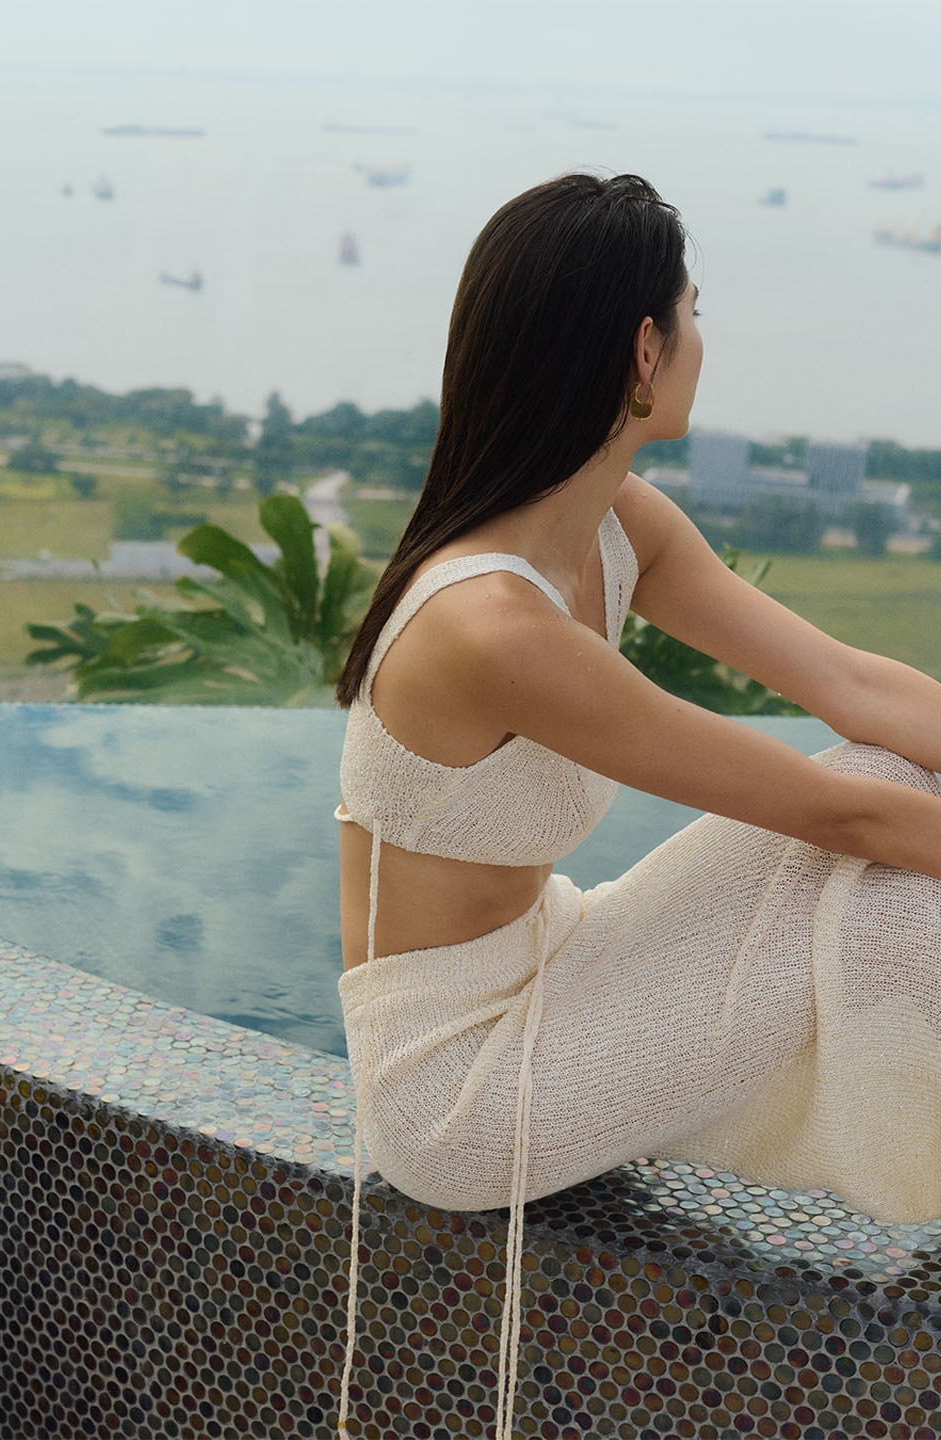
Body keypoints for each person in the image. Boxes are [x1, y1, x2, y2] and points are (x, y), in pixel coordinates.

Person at [331, 172, 941, 1439]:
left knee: (888, 769)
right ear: (645, 350)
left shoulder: (615, 527)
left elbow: (853, 687)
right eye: (694, 312)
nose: (705, 341)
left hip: (548, 958)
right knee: (900, 914)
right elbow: (841, 828)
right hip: (457, 1085)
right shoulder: (495, 623)